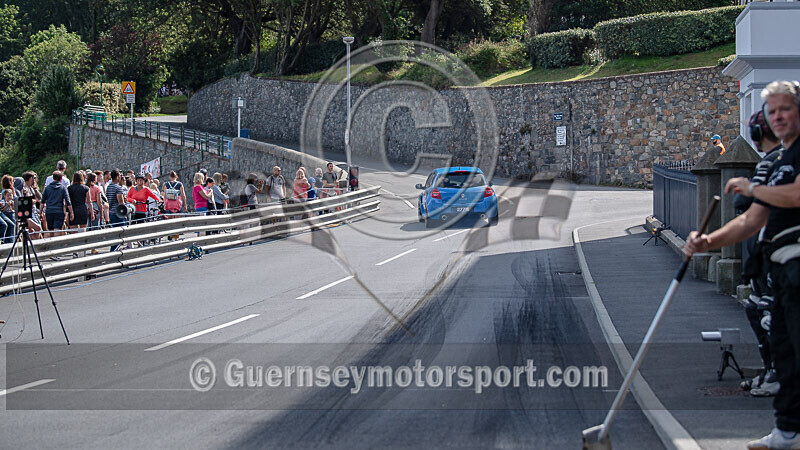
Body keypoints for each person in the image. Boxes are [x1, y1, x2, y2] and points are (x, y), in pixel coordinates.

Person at [684, 81, 800, 450]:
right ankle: (788, 433)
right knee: (784, 351)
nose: (777, 117)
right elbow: (751, 220)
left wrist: (752, 189)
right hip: (780, 268)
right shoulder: (772, 165)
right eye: (771, 111)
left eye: (785, 109)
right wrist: (708, 242)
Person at [734, 110, 784, 397]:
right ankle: (770, 370)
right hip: (769, 249)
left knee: (770, 312)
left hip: (777, 251)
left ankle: (778, 374)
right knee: (757, 307)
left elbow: (742, 202)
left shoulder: (774, 162)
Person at [40, 171, 74, 237]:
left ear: (53, 178)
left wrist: (40, 213)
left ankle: (52, 242)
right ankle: (56, 242)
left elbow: (42, 201)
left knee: (51, 230)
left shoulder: (47, 188)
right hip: (59, 211)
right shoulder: (63, 188)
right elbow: (68, 201)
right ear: (61, 179)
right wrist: (71, 212)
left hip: (49, 211)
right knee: (57, 229)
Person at [20, 172, 43, 239]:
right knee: (37, 228)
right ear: (30, 179)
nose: (35, 180)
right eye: (34, 178)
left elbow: (40, 198)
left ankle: (36, 242)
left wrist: (35, 188)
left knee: (35, 230)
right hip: (28, 212)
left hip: (34, 210)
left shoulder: (31, 188)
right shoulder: (24, 189)